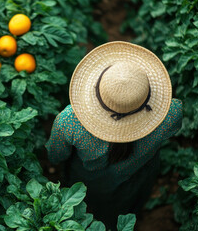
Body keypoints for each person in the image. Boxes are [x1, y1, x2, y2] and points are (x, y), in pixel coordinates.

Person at [45, 41, 182, 230]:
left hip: (89, 184)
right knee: (125, 212)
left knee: (88, 211)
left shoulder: (70, 121)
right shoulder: (171, 113)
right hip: (136, 182)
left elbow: (56, 155)